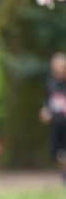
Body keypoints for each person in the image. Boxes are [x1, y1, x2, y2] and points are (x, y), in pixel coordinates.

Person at [39, 52, 66, 185]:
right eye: (56, 65)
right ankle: (63, 175)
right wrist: (45, 110)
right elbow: (46, 100)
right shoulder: (50, 82)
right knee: (59, 152)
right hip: (56, 123)